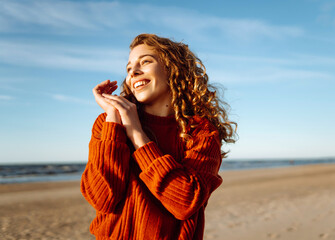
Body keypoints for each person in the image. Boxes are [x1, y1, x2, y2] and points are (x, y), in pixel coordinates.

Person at [81, 33, 237, 240]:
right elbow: (102, 200)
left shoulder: (201, 132)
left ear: (173, 69)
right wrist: (113, 117)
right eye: (129, 68)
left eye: (145, 61)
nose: (133, 72)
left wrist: (137, 134)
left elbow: (184, 202)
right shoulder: (108, 124)